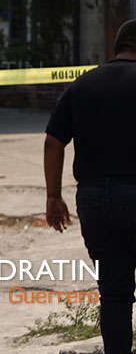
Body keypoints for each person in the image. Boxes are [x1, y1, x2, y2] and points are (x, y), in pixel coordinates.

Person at [44, 19, 136, 354]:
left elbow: (53, 141)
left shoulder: (83, 84)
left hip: (94, 200)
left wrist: (54, 196)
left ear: (117, 47)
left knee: (114, 292)